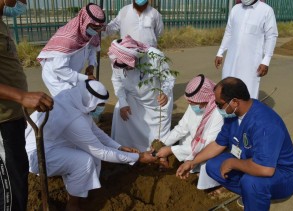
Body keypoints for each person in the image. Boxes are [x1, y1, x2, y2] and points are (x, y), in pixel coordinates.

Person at [25, 80, 157, 211]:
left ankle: (81, 188)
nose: (101, 108)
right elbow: (101, 152)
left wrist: (118, 147)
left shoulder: (75, 99)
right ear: (91, 101)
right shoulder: (73, 119)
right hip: (37, 156)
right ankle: (73, 205)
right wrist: (138, 157)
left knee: (90, 155)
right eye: (100, 104)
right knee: (84, 161)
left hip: (51, 143)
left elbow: (94, 130)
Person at [176, 77, 293, 211]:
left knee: (251, 183)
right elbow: (218, 144)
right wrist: (192, 162)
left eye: (219, 104)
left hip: (282, 175)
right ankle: (252, 196)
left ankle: (255, 197)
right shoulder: (233, 116)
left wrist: (232, 163)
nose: (216, 107)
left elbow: (265, 169)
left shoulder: (265, 124)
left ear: (234, 102)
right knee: (213, 165)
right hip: (251, 162)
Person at [0, 1, 54, 210]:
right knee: (10, 191)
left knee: (18, 180)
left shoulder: (2, 22)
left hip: (10, 117)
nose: (21, 3)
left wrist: (18, 107)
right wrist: (21, 96)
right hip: (2, 122)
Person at [108, 35, 175, 152]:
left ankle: (158, 153)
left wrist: (165, 92)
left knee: (159, 133)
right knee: (119, 108)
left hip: (157, 99)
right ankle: (127, 148)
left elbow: (168, 78)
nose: (126, 70)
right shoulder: (116, 58)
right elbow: (116, 80)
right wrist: (123, 102)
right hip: (134, 98)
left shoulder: (154, 56)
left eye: (128, 66)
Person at [156, 74, 223, 190]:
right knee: (185, 137)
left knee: (210, 165)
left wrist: (171, 150)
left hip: (211, 150)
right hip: (195, 145)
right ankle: (192, 166)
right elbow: (181, 127)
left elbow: (206, 146)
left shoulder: (218, 114)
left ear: (205, 100)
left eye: (193, 103)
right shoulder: (196, 104)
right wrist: (163, 144)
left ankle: (213, 183)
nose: (191, 106)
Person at [37, 3, 105, 97]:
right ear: (84, 21)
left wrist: (91, 65)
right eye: (94, 27)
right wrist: (85, 78)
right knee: (70, 103)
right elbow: (59, 68)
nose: (96, 31)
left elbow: (92, 47)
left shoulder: (89, 32)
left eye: (98, 28)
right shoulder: (67, 38)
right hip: (57, 78)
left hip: (72, 75)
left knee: (79, 100)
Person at [214, 0, 278, 99]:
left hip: (250, 64)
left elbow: (271, 36)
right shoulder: (236, 9)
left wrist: (266, 61)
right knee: (227, 89)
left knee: (247, 92)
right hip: (231, 61)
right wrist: (220, 52)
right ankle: (227, 113)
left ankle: (247, 114)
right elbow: (229, 32)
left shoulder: (266, 11)